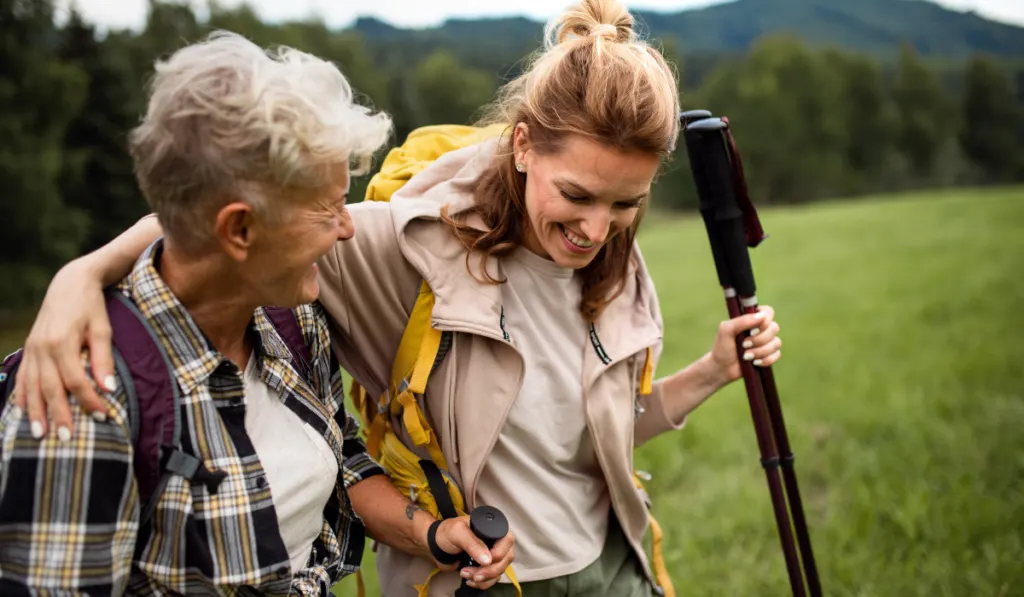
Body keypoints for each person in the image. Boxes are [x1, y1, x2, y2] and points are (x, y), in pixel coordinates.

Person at [10, 1, 784, 595]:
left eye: (625, 203)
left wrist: (713, 368)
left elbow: (588, 440)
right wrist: (79, 273)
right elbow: (204, 217)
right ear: (522, 147)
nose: (598, 228)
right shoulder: (391, 248)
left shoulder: (611, 259)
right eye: (579, 195)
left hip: (612, 561)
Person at [0, 31, 514, 595]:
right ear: (240, 229)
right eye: (330, 208)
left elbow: (340, 457)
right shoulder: (82, 403)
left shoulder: (290, 318)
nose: (347, 228)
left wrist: (433, 534)